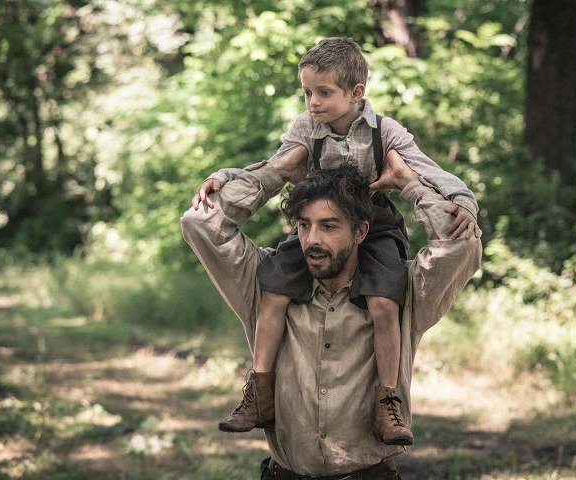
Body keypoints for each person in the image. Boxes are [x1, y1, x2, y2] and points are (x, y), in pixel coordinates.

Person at [191, 37, 480, 446]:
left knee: (384, 304)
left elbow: (431, 172)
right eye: (307, 92)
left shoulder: (386, 132)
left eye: (323, 92)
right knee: (273, 292)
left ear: (356, 93)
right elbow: (272, 167)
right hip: (314, 221)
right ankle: (259, 391)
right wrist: (223, 177)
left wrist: (463, 201)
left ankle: (387, 401)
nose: (312, 102)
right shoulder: (306, 127)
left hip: (376, 225)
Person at [181, 151, 482, 478]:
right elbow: (199, 222)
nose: (312, 240)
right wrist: (275, 173)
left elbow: (462, 245)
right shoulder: (266, 285)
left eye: (328, 226)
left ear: (360, 232)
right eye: (304, 225)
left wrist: (409, 184)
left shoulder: (401, 293)